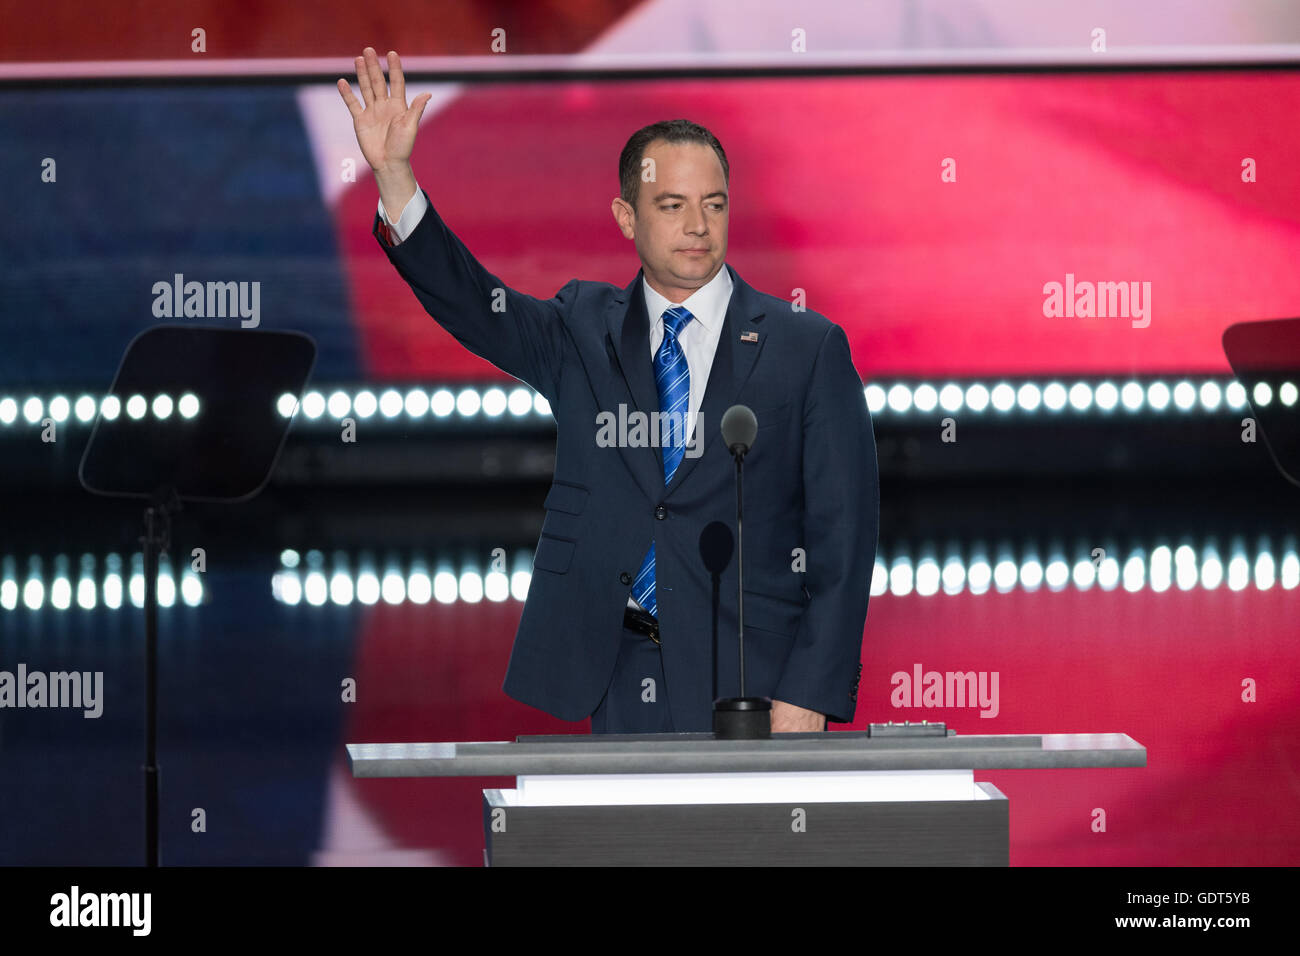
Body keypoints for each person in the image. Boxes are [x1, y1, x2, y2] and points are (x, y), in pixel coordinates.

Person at [338, 48, 879, 734]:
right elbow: (477, 304)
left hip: (755, 681)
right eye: (672, 204)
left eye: (713, 204)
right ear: (626, 217)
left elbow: (846, 538)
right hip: (615, 672)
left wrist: (810, 690)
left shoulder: (807, 347)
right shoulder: (580, 330)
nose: (697, 225)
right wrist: (395, 178)